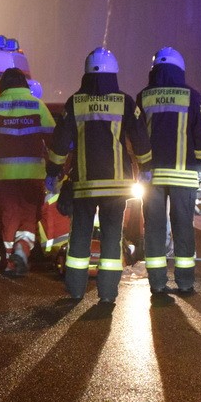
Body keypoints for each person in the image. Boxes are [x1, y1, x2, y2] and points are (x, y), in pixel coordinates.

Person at [47, 47, 152, 304]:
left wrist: (53, 172)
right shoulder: (125, 102)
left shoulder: (74, 102)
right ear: (114, 73)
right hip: (116, 186)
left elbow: (60, 143)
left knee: (79, 237)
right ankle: (107, 294)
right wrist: (147, 167)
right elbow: (139, 138)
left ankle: (74, 291)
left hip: (84, 183)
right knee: (111, 238)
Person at [137, 47, 201, 295]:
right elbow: (200, 135)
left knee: (154, 226)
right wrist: (200, 161)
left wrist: (141, 165)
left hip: (152, 175)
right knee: (183, 226)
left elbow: (137, 136)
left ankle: (157, 281)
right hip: (184, 172)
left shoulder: (144, 95)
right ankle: (186, 281)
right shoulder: (192, 96)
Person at [0, 67, 54, 277]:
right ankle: (22, 250)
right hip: (33, 174)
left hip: (4, 176)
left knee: (9, 218)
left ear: (3, 86)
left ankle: (11, 259)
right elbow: (53, 138)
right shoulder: (38, 105)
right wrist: (56, 166)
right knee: (29, 217)